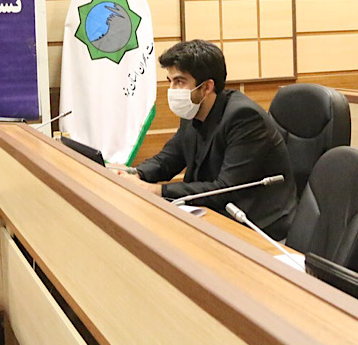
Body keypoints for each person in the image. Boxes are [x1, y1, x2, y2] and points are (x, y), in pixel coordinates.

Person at [115, 40, 296, 240]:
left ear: (207, 87)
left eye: (180, 81)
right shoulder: (193, 110)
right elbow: (168, 159)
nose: (173, 90)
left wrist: (156, 190)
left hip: (256, 224)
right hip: (214, 214)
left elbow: (226, 189)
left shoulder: (244, 117)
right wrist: (135, 173)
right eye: (170, 81)